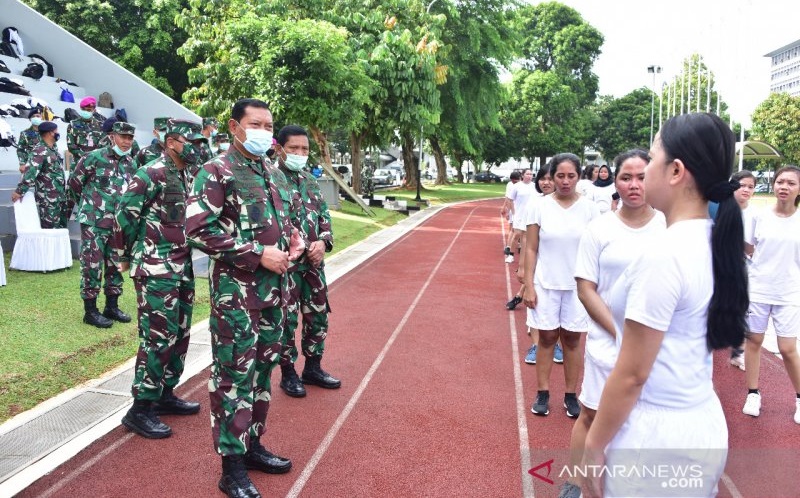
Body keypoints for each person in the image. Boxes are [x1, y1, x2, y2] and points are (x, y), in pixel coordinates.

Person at [581, 113, 748, 498]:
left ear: (675, 171)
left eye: (652, 159)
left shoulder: (664, 255)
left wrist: (593, 445)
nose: (644, 172)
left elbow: (632, 375)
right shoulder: (713, 240)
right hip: (699, 420)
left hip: (655, 439)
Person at [185, 98, 306, 498]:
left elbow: (280, 221)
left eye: (269, 126)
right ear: (235, 127)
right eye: (256, 124)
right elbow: (198, 229)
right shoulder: (215, 171)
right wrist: (257, 254)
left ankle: (253, 446)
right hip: (237, 297)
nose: (264, 133)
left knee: (262, 374)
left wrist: (293, 239)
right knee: (234, 378)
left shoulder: (271, 172)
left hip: (275, 295)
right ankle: (231, 468)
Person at [557, 150, 665, 498]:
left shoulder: (668, 226)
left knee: (646, 421)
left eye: (642, 177)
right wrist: (620, 334)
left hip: (656, 347)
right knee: (590, 415)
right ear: (614, 182)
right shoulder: (599, 228)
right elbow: (586, 288)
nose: (635, 185)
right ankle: (574, 481)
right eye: (626, 177)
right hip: (608, 343)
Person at [114, 119, 205, 439]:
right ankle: (140, 408)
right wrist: (123, 257)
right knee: (157, 337)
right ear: (171, 142)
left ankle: (164, 393)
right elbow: (124, 215)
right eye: (189, 142)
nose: (196, 147)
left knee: (180, 335)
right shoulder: (150, 173)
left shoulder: (189, 175)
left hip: (181, 268)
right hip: (154, 269)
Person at [523, 153, 599, 418]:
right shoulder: (539, 206)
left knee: (572, 339)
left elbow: (596, 250)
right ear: (551, 176)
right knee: (545, 337)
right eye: (560, 176)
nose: (565, 181)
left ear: (579, 176)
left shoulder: (590, 209)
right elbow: (531, 248)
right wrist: (529, 284)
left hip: (578, 286)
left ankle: (570, 394)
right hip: (545, 282)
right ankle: (542, 392)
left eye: (571, 176)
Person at [274, 125, 340, 398]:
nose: (300, 153)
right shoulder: (270, 179)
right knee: (286, 320)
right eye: (294, 148)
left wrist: (323, 243)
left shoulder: (310, 181)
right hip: (287, 267)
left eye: (304, 149)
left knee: (318, 316)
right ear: (279, 149)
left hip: (313, 265)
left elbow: (325, 219)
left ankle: (313, 367)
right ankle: (288, 373)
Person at [742, 165, 800, 424]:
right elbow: (748, 246)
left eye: (790, 183)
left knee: (787, 348)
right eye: (780, 181)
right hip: (758, 290)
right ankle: (753, 393)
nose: (784, 187)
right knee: (753, 341)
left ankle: (799, 397)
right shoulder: (759, 216)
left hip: (788, 292)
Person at [68, 121, 137, 329]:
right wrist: (88, 207)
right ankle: (90, 311)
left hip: (117, 224)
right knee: (92, 265)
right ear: (112, 136)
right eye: (123, 137)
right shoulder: (93, 157)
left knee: (115, 265)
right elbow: (74, 184)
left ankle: (111, 306)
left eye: (130, 138)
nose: (126, 141)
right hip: (94, 222)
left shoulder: (130, 164)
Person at [11, 121, 70, 228]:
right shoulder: (40, 150)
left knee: (60, 230)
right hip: (48, 200)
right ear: (50, 133)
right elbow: (30, 173)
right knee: (50, 231)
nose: (57, 133)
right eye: (56, 131)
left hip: (59, 197)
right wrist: (19, 191)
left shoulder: (52, 149)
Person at [729, 169, 757, 370]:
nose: (746, 190)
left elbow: (754, 246)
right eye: (742, 185)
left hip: (744, 267)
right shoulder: (719, 208)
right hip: (717, 264)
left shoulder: (756, 215)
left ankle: (738, 352)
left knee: (742, 310)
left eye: (751, 186)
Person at [66, 96, 105, 163]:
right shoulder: (73, 125)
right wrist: (85, 156)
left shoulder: (100, 125)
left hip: (96, 162)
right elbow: (71, 146)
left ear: (94, 110)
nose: (87, 112)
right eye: (85, 110)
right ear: (81, 109)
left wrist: (94, 156)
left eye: (89, 110)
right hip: (78, 162)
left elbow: (104, 145)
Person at [502, 170, 522, 263]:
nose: (514, 183)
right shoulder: (510, 185)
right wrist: (506, 210)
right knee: (513, 229)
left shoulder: (526, 186)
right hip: (514, 211)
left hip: (523, 211)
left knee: (523, 230)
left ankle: (519, 244)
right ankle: (509, 247)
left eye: (515, 181)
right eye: (512, 181)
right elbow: (508, 198)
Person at [17, 108, 43, 172]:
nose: (36, 118)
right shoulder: (25, 133)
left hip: (46, 164)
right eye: (33, 116)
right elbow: (20, 149)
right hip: (31, 165)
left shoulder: (47, 132)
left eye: (38, 116)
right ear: (30, 119)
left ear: (41, 117)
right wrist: (22, 164)